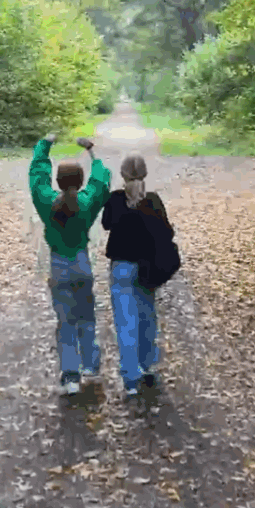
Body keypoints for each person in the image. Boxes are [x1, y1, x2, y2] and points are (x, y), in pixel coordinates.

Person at [29, 132, 111, 397]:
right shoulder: (86, 203)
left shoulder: (47, 202)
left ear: (58, 182)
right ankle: (91, 366)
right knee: (86, 318)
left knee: (65, 323)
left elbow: (36, 177)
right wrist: (91, 152)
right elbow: (102, 181)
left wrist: (45, 145)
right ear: (80, 181)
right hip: (82, 264)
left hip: (59, 266)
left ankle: (71, 377)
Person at [101, 154, 174, 400]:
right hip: (146, 268)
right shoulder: (153, 201)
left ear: (123, 175)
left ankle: (130, 379)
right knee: (147, 317)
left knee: (125, 323)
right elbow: (167, 232)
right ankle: (147, 366)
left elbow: (106, 223)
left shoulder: (115, 200)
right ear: (145, 174)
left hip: (121, 268)